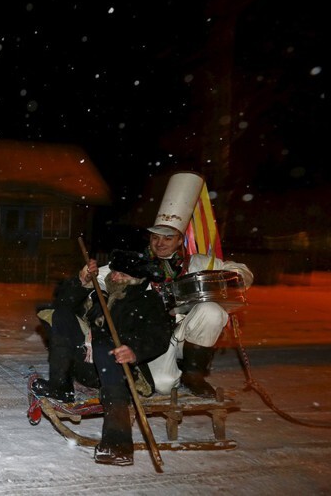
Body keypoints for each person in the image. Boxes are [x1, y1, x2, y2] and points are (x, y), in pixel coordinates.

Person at [32, 250, 172, 466]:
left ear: (137, 280)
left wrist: (134, 350)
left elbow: (159, 337)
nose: (115, 278)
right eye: (114, 272)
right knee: (60, 316)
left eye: (123, 276)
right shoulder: (100, 292)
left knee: (104, 345)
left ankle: (118, 443)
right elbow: (64, 305)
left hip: (117, 371)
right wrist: (82, 281)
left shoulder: (147, 301)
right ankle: (61, 386)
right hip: (86, 365)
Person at [143, 172, 254, 398]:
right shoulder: (137, 264)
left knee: (212, 310)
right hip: (152, 337)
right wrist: (88, 277)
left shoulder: (200, 262)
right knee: (163, 386)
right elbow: (105, 277)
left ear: (179, 240)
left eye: (167, 238)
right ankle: (159, 369)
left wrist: (238, 276)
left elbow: (241, 270)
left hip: (190, 332)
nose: (159, 243)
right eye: (155, 237)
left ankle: (193, 373)